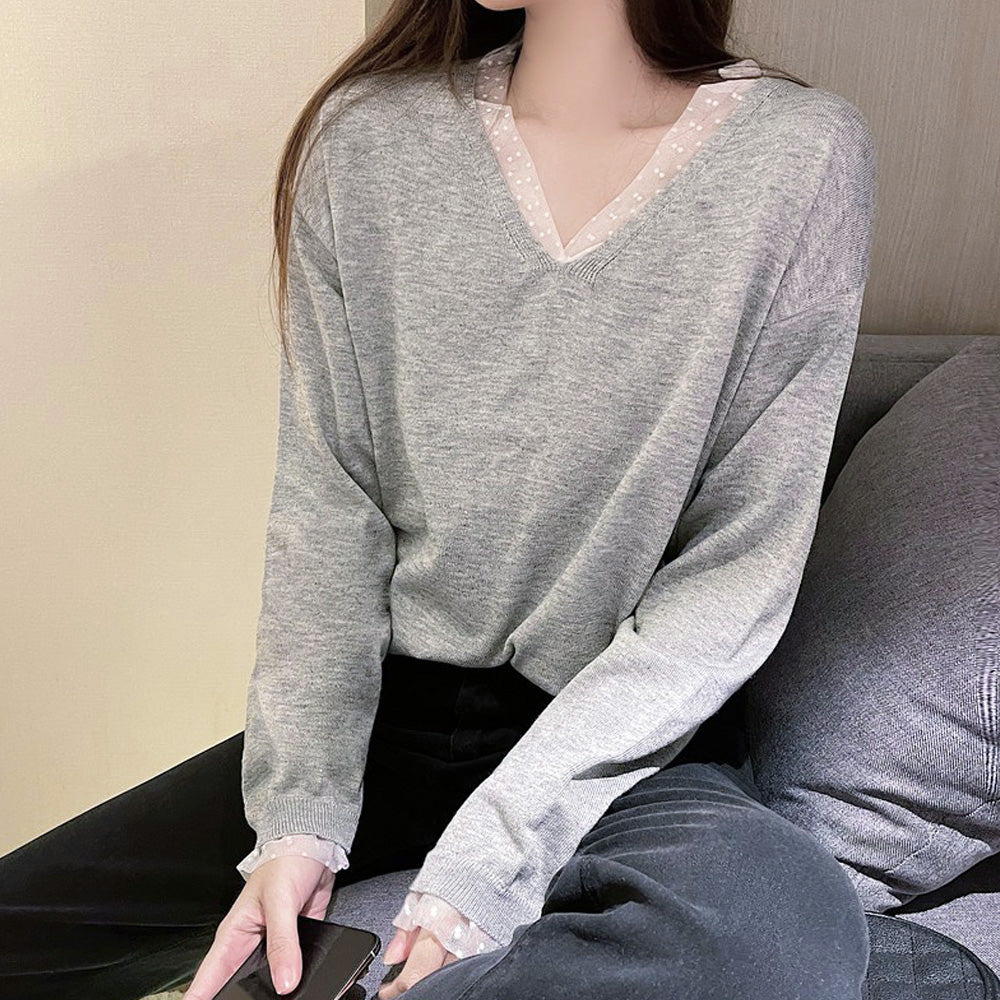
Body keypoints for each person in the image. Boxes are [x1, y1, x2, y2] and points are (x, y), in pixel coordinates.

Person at [0, 2, 880, 998]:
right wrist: (298, 819)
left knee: (780, 933)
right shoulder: (368, 139)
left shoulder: (798, 156)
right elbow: (329, 510)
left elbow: (737, 566)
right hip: (396, 722)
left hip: (630, 748)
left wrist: (488, 864)